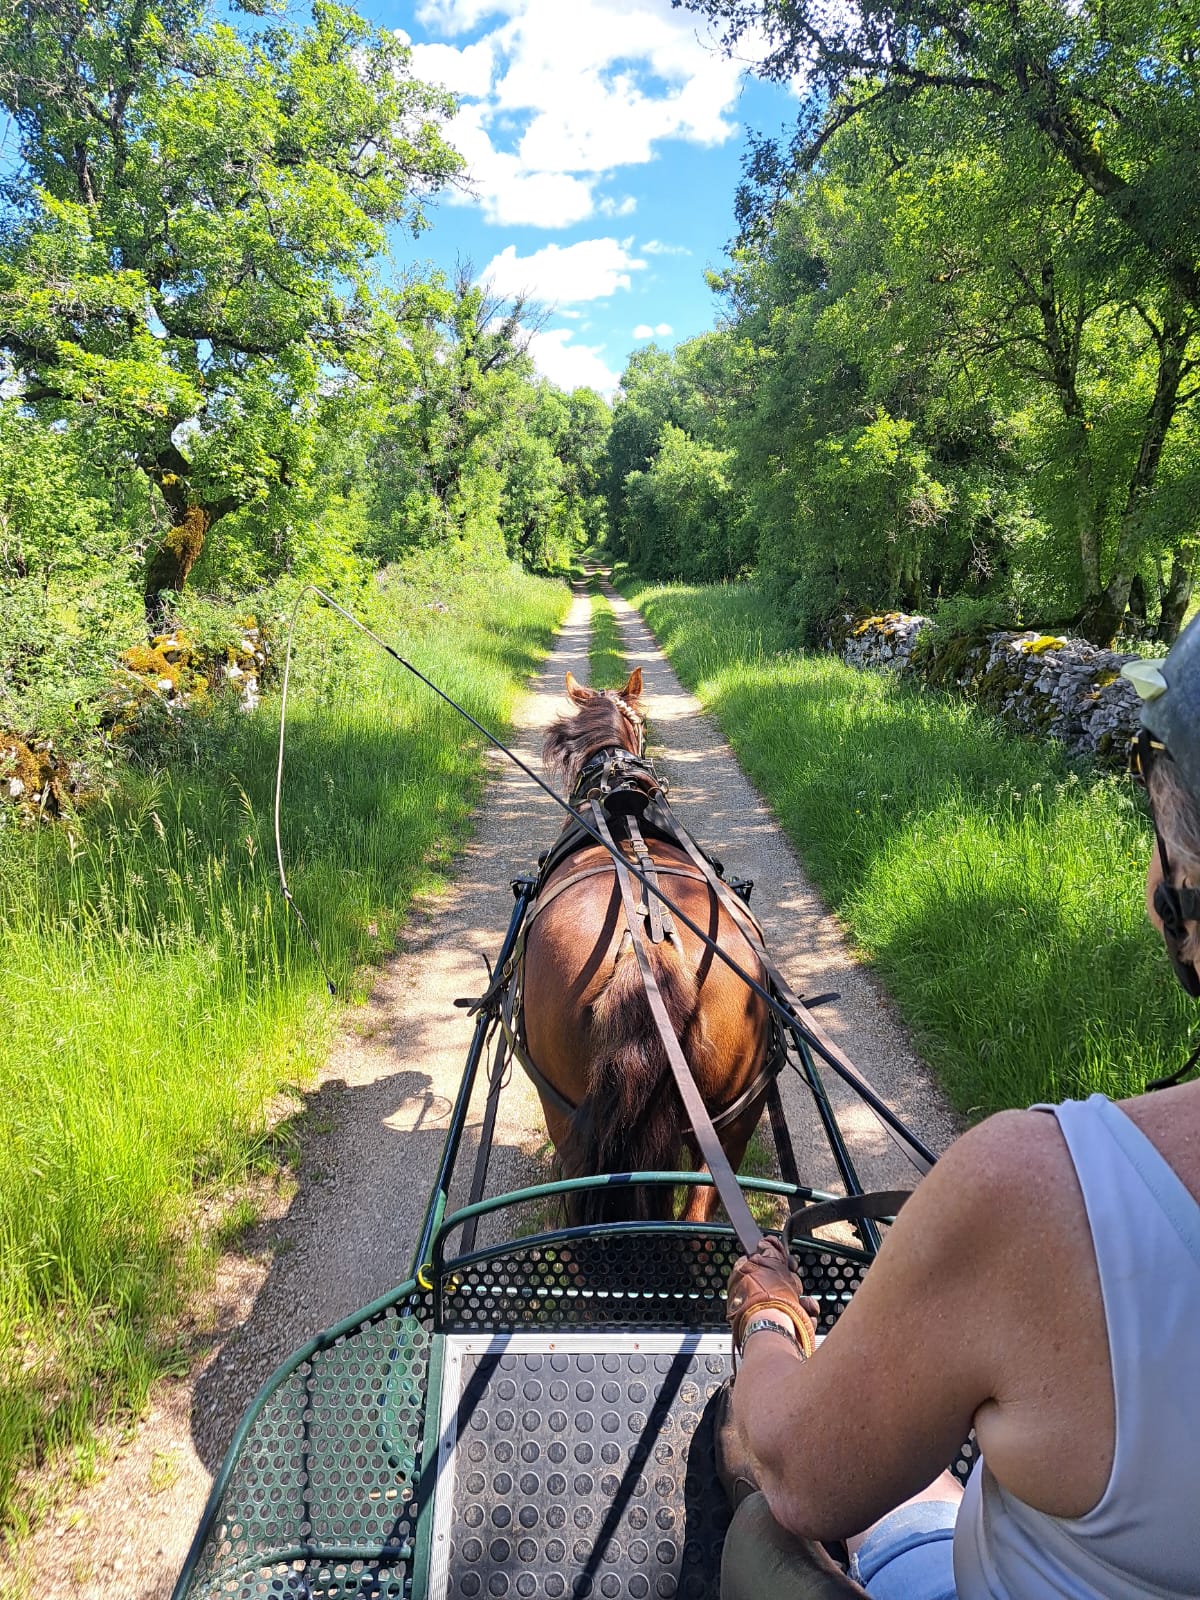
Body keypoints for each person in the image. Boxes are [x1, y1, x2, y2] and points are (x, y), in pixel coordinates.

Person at [719, 617, 1200, 1599]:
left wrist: (768, 1321)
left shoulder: (1039, 1196)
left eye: (1162, 830)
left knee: (754, 1535)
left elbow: (801, 1478)